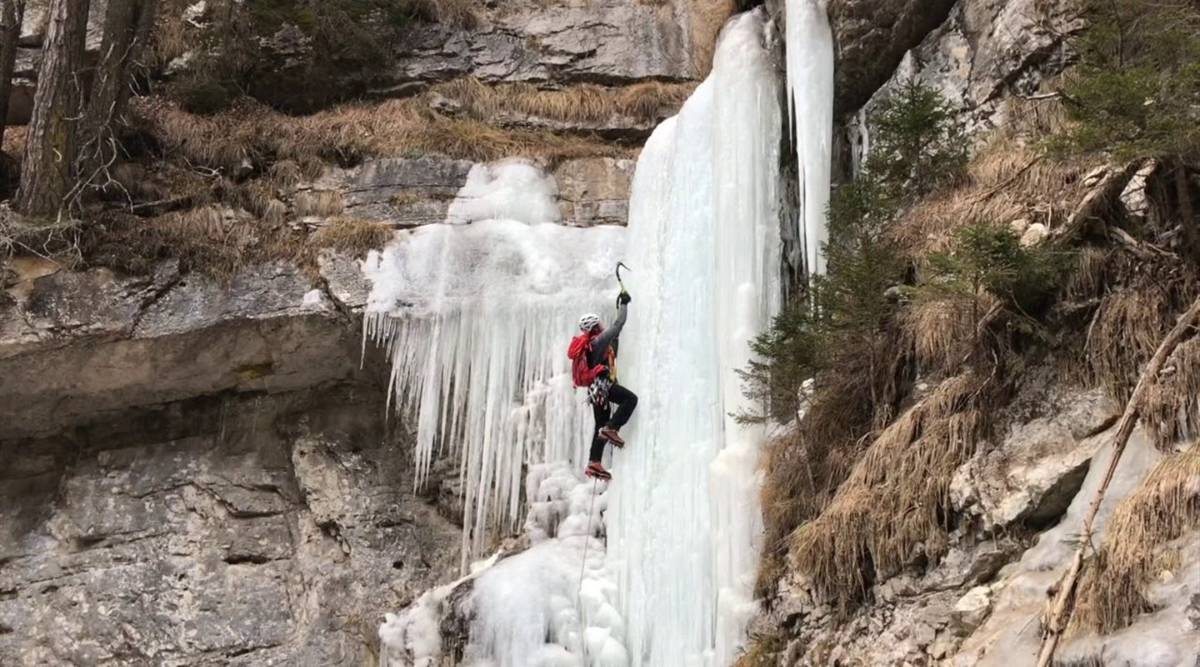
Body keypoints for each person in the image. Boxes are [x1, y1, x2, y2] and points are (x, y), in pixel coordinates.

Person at [575, 293, 637, 481]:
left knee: (599, 426)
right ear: (595, 327)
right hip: (602, 386)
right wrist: (624, 305)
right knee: (630, 399)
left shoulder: (590, 346)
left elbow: (614, 342)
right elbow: (618, 326)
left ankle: (594, 462)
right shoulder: (598, 341)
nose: (602, 326)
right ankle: (613, 427)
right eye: (599, 324)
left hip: (594, 392)